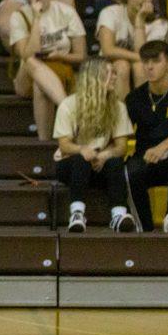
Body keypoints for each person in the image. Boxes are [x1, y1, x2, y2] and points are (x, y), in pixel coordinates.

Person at [53, 58, 136, 232]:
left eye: (114, 72)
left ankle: (119, 214)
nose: (114, 77)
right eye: (109, 73)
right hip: (70, 164)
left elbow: (122, 147)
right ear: (94, 78)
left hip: (100, 163)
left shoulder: (118, 107)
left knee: (115, 161)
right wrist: (82, 149)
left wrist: (103, 155)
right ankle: (76, 213)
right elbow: (64, 145)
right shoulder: (69, 105)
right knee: (80, 159)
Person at [124, 40, 168, 232]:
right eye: (145, 61)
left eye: (155, 61)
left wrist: (162, 147)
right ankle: (144, 228)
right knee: (128, 168)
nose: (149, 66)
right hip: (145, 157)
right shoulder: (134, 98)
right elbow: (121, 132)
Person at [8, 0, 87, 141]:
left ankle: (44, 142)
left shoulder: (67, 12)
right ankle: (68, 108)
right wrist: (37, 18)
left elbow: (81, 55)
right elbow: (26, 54)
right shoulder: (18, 16)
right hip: (25, 75)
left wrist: (59, 56)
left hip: (60, 69)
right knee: (31, 61)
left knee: (40, 86)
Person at [96, 0, 167, 96]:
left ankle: (142, 113)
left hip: (143, 68)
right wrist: (140, 57)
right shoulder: (110, 13)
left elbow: (143, 52)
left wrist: (140, 20)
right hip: (106, 65)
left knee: (140, 68)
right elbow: (107, 50)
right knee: (122, 66)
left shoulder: (159, 24)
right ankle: (121, 114)